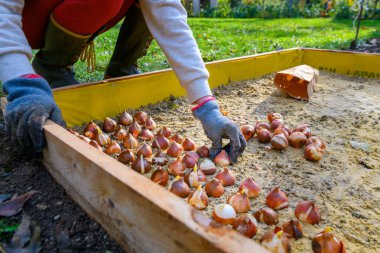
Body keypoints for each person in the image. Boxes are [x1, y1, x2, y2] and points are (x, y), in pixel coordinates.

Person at [0, 0, 246, 162]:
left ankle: (122, 68)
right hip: (29, 18)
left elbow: (169, 17)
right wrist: (24, 83)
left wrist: (207, 107)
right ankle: (51, 66)